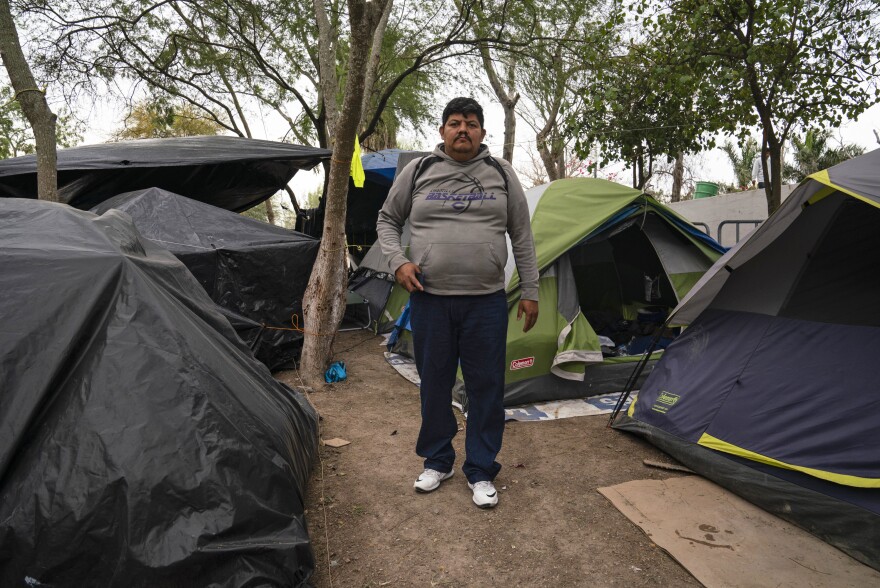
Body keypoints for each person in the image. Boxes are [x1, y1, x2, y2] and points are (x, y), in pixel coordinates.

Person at [376, 97, 539, 508]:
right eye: (454, 123)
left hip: (485, 303)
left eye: (470, 123)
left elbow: (522, 234)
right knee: (434, 384)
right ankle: (438, 460)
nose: (462, 129)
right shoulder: (419, 171)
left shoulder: (501, 173)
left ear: (483, 132)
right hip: (429, 300)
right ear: (442, 131)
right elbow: (387, 220)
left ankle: (481, 469)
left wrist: (532, 291)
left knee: (486, 386)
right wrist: (398, 262)